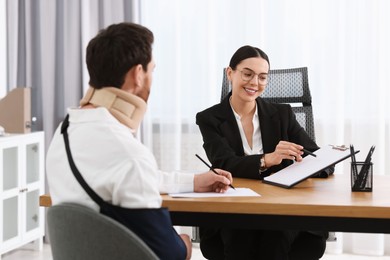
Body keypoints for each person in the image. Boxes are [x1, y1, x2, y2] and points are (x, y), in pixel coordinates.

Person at [46, 22, 233, 260]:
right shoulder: (128, 153)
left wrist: (195, 181)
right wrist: (185, 244)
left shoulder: (64, 132)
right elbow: (169, 254)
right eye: (152, 70)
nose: (152, 77)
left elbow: (123, 178)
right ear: (137, 74)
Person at [196, 45, 332, 260]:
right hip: (234, 208)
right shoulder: (209, 118)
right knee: (240, 236)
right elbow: (224, 161)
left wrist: (301, 166)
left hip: (281, 206)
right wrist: (267, 160)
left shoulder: (283, 114)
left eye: (262, 77)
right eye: (247, 74)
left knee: (276, 234)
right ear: (230, 73)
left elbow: (319, 160)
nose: (254, 83)